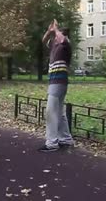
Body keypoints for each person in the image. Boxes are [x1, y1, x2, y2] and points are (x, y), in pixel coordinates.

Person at [39, 19, 74, 152]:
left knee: (50, 112)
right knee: (59, 112)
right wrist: (49, 31)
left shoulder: (66, 44)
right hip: (55, 81)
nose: (56, 37)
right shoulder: (55, 45)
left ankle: (52, 143)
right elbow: (43, 41)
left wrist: (56, 29)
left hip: (59, 81)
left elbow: (61, 38)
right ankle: (65, 139)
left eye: (58, 35)